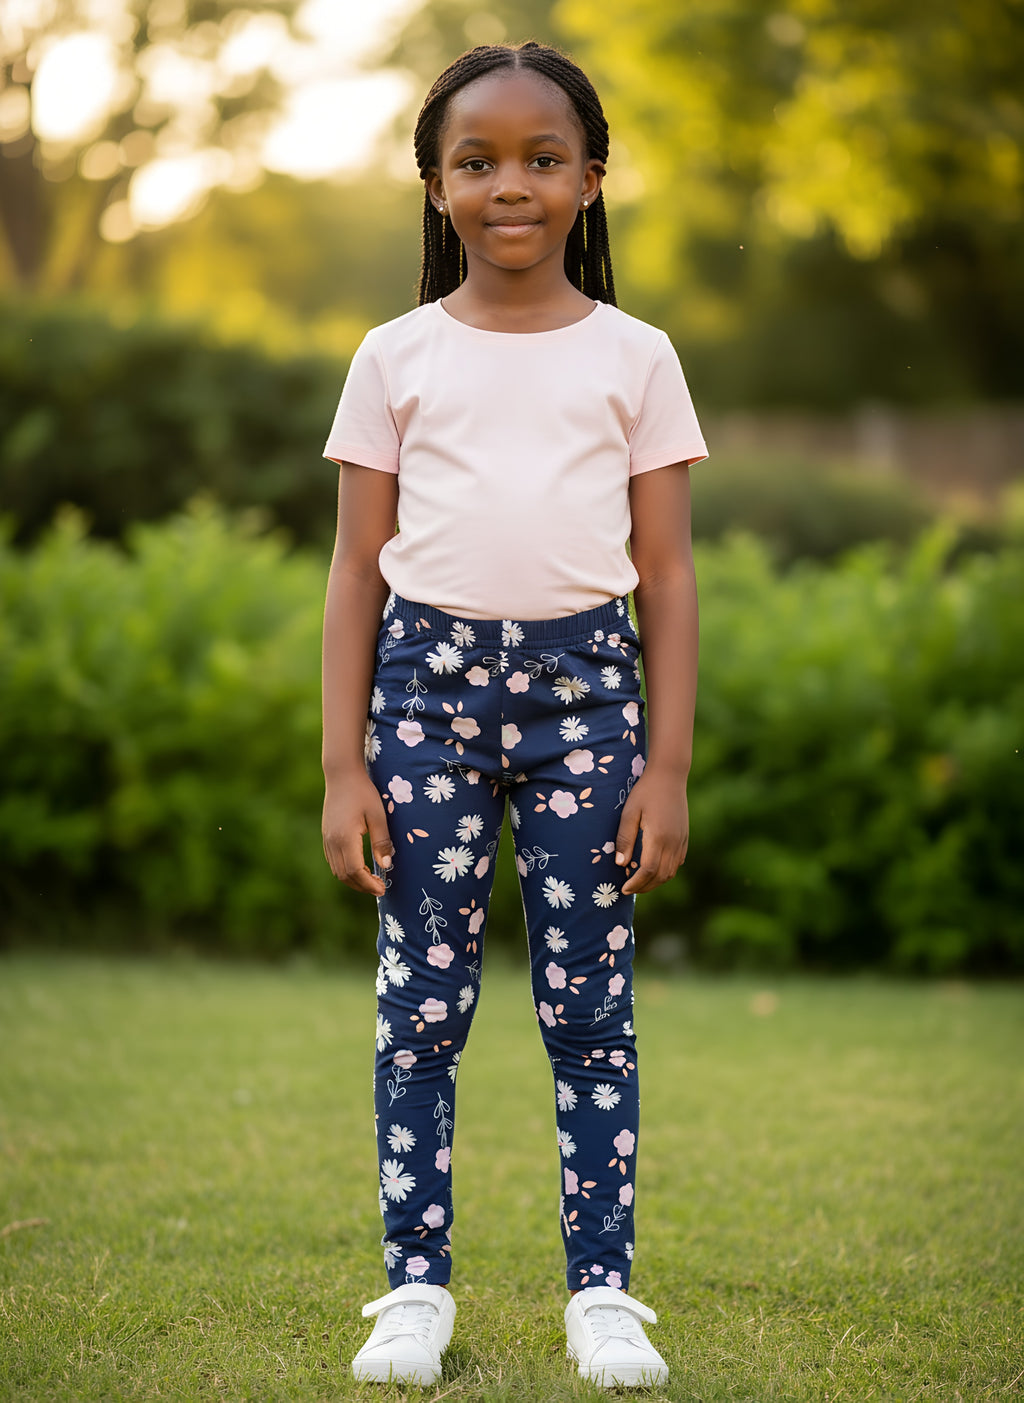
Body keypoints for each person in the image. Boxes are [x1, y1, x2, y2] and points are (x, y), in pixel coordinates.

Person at [320, 39, 707, 1389]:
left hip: (587, 699)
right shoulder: (392, 356)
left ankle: (602, 1292)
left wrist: (666, 765)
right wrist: (341, 767)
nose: (511, 185)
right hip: (421, 702)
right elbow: (354, 574)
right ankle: (412, 1290)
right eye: (476, 161)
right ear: (434, 186)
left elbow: (665, 575)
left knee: (588, 1009)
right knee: (419, 1008)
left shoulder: (639, 356)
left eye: (544, 159)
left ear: (591, 179)